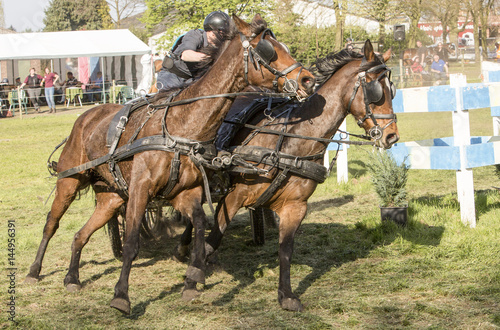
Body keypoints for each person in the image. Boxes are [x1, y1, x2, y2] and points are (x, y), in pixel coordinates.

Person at [156, 11, 230, 91]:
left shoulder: (218, 46)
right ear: (211, 31)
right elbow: (186, 55)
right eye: (222, 34)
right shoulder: (194, 35)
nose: (223, 38)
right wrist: (210, 57)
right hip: (171, 77)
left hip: (191, 80)